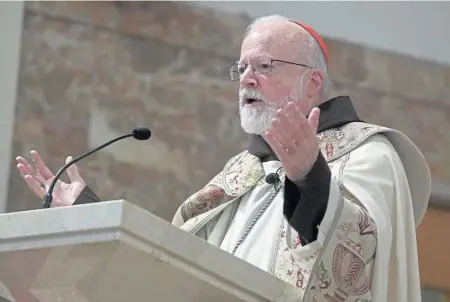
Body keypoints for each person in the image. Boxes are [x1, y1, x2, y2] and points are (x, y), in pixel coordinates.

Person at [16, 15, 431, 301]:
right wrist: (88, 210)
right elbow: (171, 261)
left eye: (264, 65)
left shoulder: (368, 154)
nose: (247, 78)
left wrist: (311, 179)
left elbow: (359, 262)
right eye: (242, 68)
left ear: (312, 83)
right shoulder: (241, 174)